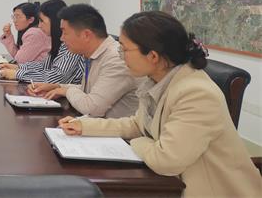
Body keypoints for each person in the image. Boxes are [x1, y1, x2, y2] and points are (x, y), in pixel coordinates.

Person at [59, 11, 262, 198]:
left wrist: (138, 142)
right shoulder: (157, 80)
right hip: (172, 185)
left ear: (153, 56)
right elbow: (137, 124)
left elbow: (166, 160)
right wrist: (85, 126)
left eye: (125, 50)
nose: (121, 56)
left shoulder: (196, 93)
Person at [27, 4, 138, 118]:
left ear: (86, 35)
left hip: (111, 129)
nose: (61, 38)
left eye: (65, 32)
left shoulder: (116, 59)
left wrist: (66, 91)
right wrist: (56, 87)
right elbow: (89, 91)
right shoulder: (93, 54)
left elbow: (92, 108)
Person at [0, 0, 83, 84]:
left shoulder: (71, 44)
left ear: (54, 21)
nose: (39, 25)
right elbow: (45, 66)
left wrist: (17, 74)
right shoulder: (57, 41)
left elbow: (57, 77)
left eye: (42, 21)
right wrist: (18, 67)